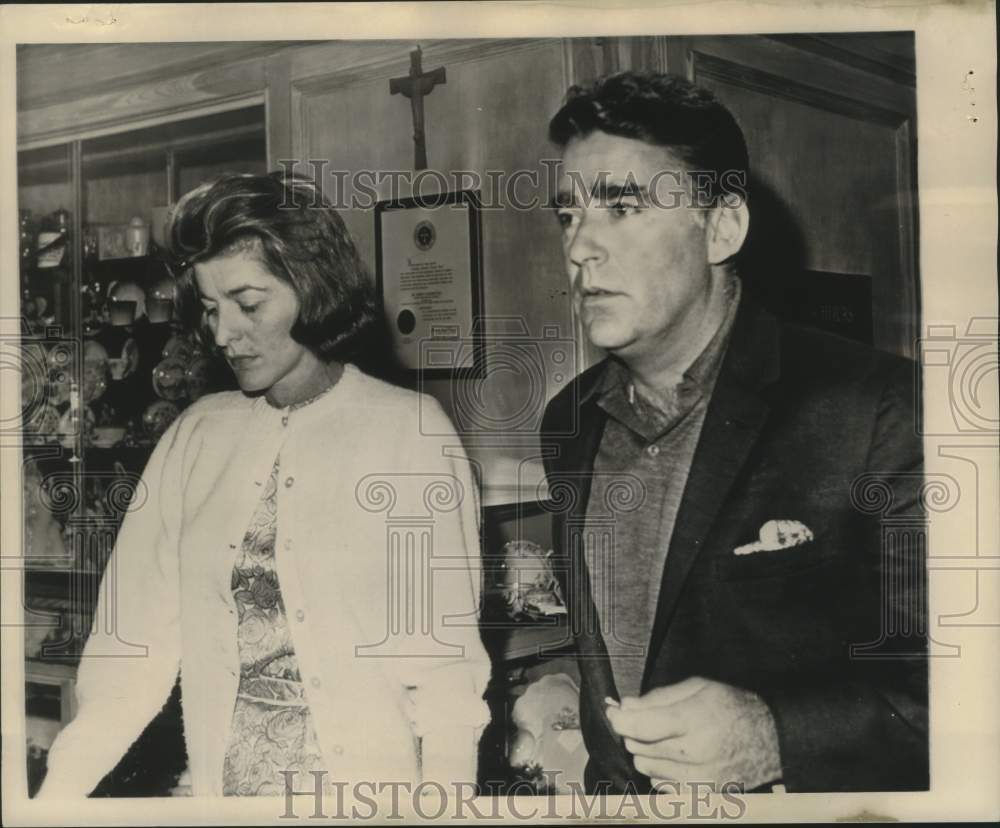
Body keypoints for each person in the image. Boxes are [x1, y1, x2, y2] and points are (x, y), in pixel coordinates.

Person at [37, 173, 491, 798]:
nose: (224, 334)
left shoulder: (409, 433)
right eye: (212, 307)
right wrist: (56, 797)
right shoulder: (195, 435)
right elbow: (128, 650)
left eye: (249, 304)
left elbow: (445, 679)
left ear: (313, 286)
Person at [540, 72, 927, 793]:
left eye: (621, 207)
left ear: (723, 228)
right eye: (568, 215)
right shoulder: (567, 422)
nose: (580, 247)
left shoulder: (879, 407)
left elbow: (964, 695)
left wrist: (776, 737)